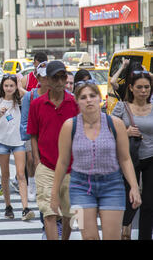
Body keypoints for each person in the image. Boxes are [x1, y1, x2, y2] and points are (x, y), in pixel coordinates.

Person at [51, 81, 141, 240]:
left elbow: (125, 159)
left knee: (112, 237)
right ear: (77, 101)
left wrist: (134, 187)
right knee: (89, 237)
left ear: (100, 98)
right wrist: (54, 194)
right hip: (80, 186)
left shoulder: (115, 124)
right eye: (83, 97)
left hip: (112, 185)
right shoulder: (69, 126)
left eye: (92, 96)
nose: (88, 100)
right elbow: (63, 162)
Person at [27, 61, 79, 240]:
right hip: (47, 166)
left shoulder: (74, 102)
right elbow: (33, 134)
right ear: (47, 80)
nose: (59, 81)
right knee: (49, 213)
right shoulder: (37, 104)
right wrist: (36, 160)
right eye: (55, 77)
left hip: (72, 168)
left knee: (69, 214)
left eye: (62, 77)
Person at [112, 70, 153, 240]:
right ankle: (123, 228)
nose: (144, 91)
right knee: (130, 200)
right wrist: (125, 132)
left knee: (149, 204)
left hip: (150, 157)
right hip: (128, 159)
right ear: (131, 88)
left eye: (147, 87)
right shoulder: (122, 106)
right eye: (140, 87)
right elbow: (108, 130)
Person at [0, 74, 35, 221]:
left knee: (21, 175)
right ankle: (8, 206)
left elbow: (31, 96)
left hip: (18, 142)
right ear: (2, 87)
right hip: (2, 142)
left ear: (15, 86)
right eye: (6, 85)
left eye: (12, 85)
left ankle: (25, 208)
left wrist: (21, 87)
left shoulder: (21, 101)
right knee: (5, 175)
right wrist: (0, 115)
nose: (9, 88)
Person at [20, 61, 49, 203]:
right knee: (32, 160)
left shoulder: (64, 96)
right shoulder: (29, 97)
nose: (47, 80)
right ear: (38, 78)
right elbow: (24, 124)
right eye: (43, 77)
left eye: (49, 76)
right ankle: (31, 185)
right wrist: (35, 133)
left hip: (51, 140)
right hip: (33, 137)